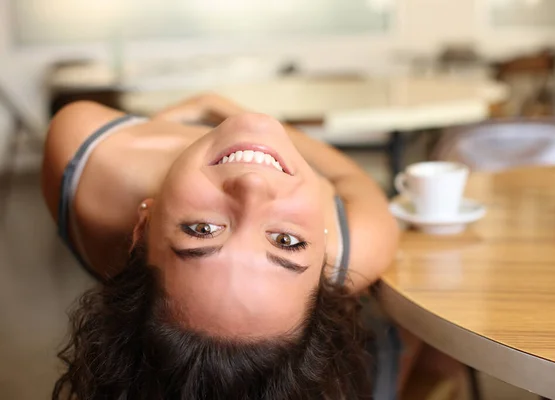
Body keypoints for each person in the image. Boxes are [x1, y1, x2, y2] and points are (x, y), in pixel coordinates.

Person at [42, 94, 403, 399]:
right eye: (286, 242)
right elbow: (351, 178)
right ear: (325, 258)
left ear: (144, 226)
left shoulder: (82, 148)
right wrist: (229, 112)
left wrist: (221, 121)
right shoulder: (355, 245)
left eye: (202, 230)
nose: (253, 186)